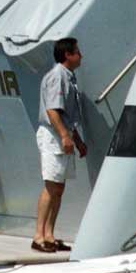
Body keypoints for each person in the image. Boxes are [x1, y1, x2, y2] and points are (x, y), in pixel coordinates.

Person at [32, 37, 87, 253]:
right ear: (68, 55)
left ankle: (50, 235)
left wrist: (78, 141)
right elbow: (53, 111)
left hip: (62, 135)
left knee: (59, 188)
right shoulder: (57, 76)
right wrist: (65, 136)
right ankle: (38, 236)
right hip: (53, 135)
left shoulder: (69, 77)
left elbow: (67, 115)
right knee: (51, 185)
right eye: (77, 51)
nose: (80, 55)